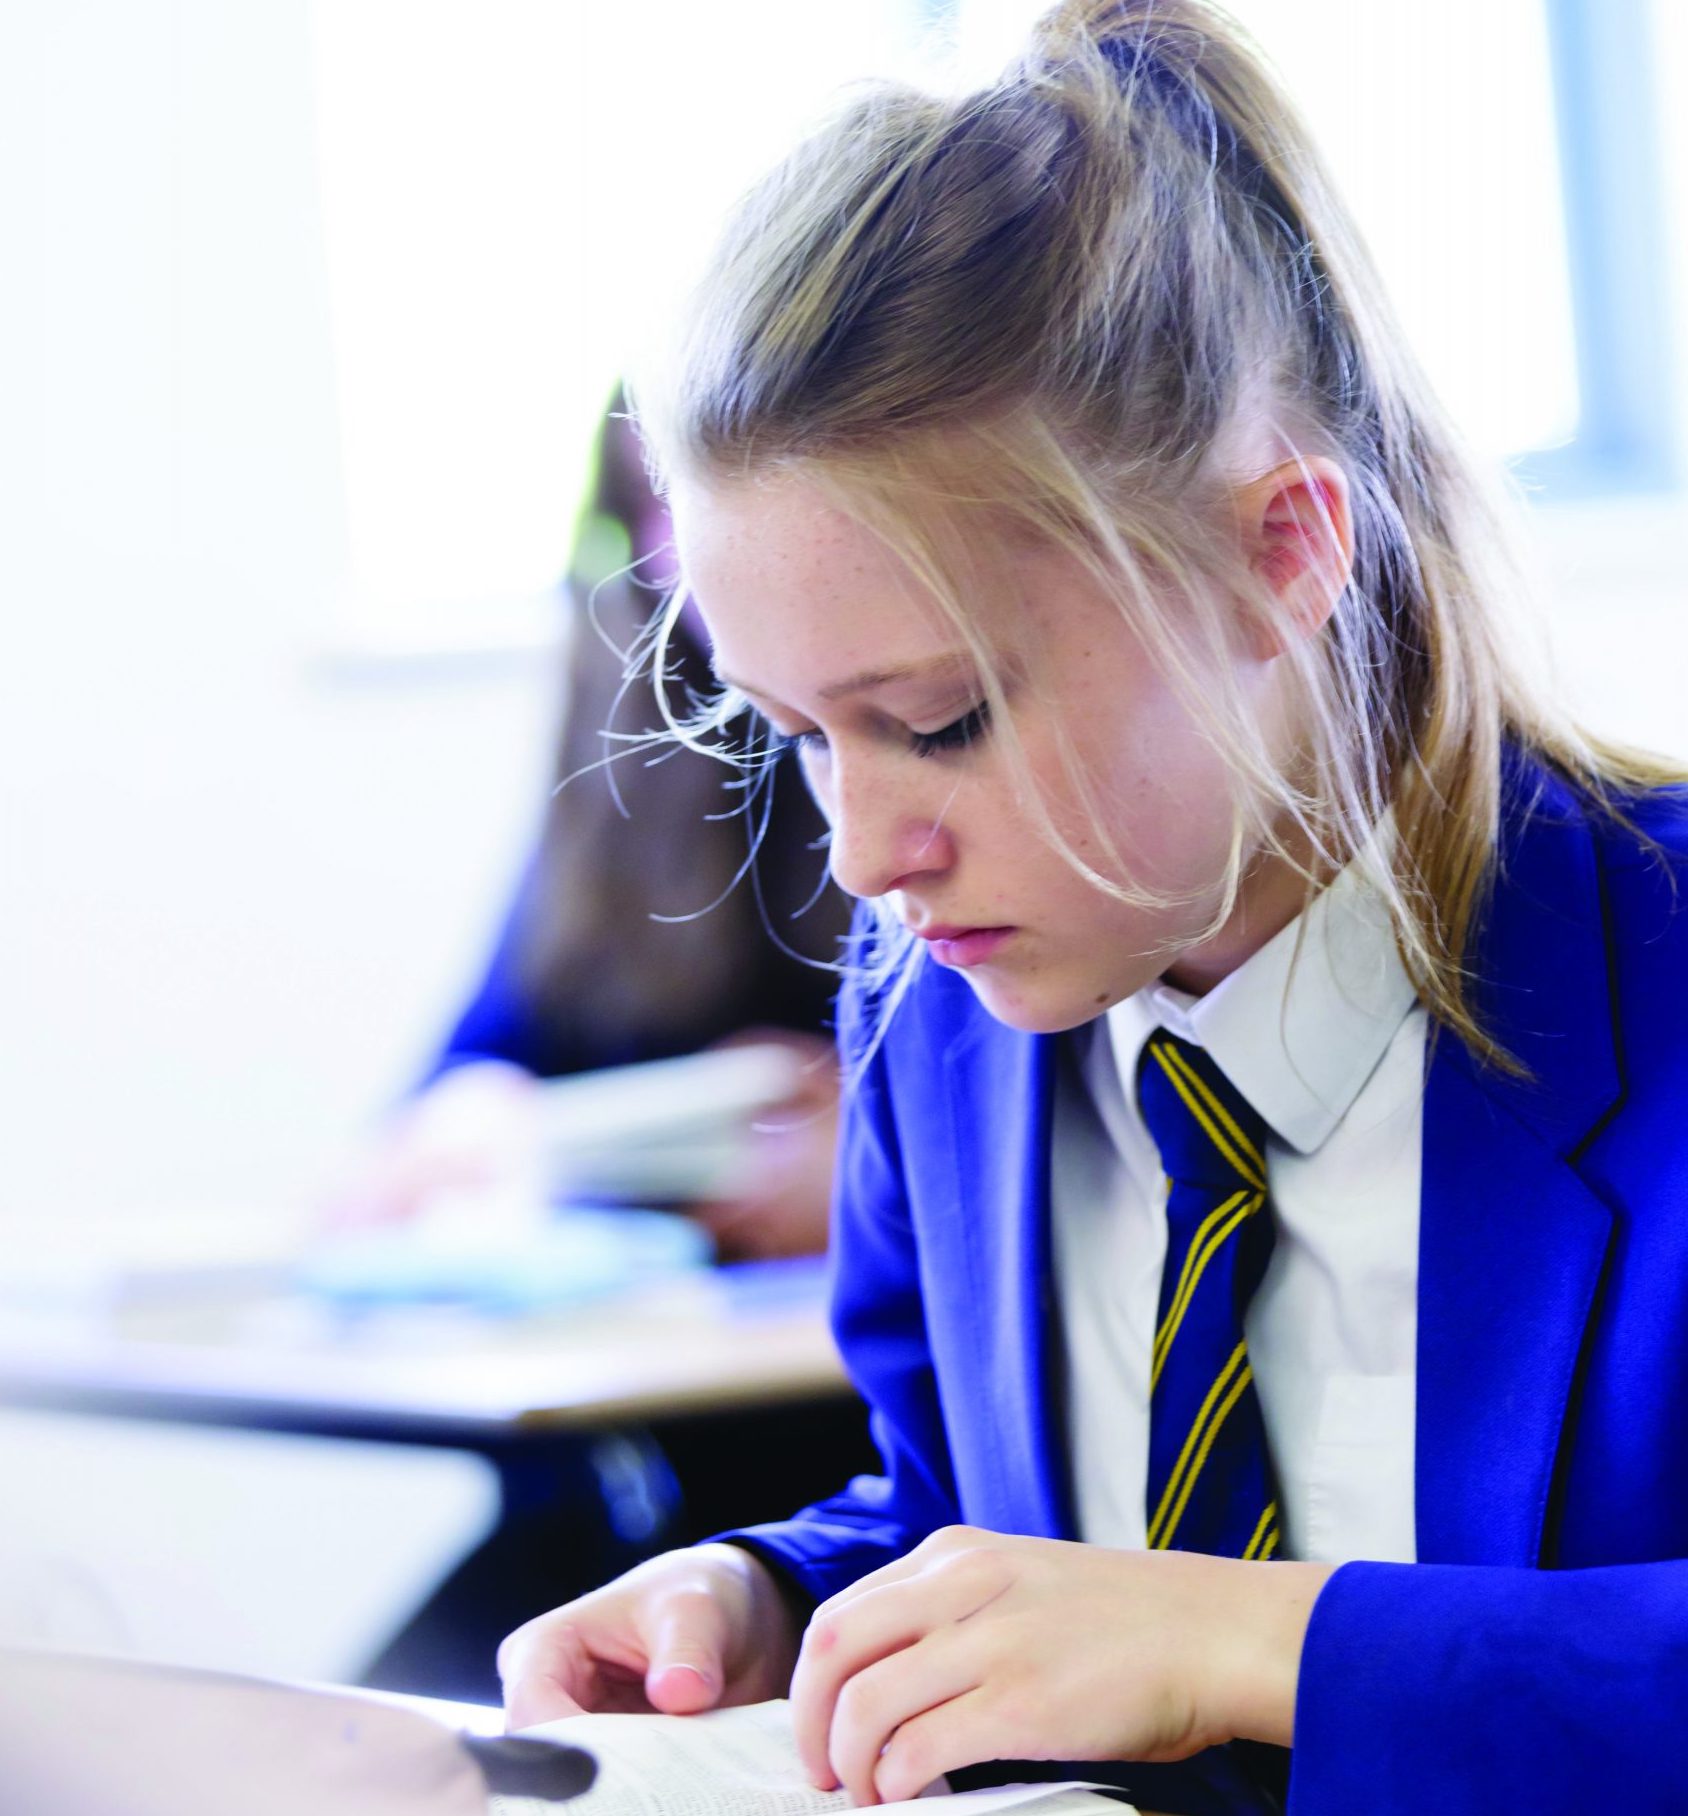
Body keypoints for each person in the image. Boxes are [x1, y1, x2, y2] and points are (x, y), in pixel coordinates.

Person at [496, 2, 1688, 1810]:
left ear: (1278, 553)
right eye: (798, 735)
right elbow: (982, 1514)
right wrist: (784, 1595)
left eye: (937, 720)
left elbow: (1172, 1621)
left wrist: (1251, 1640)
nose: (863, 855)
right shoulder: (934, 1028)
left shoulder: (1658, 960)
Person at [328, 391, 853, 1260]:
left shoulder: (915, 757)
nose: (691, 553)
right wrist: (467, 1119)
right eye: (660, 511)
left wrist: (880, 1162)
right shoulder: (626, 782)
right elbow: (438, 1105)